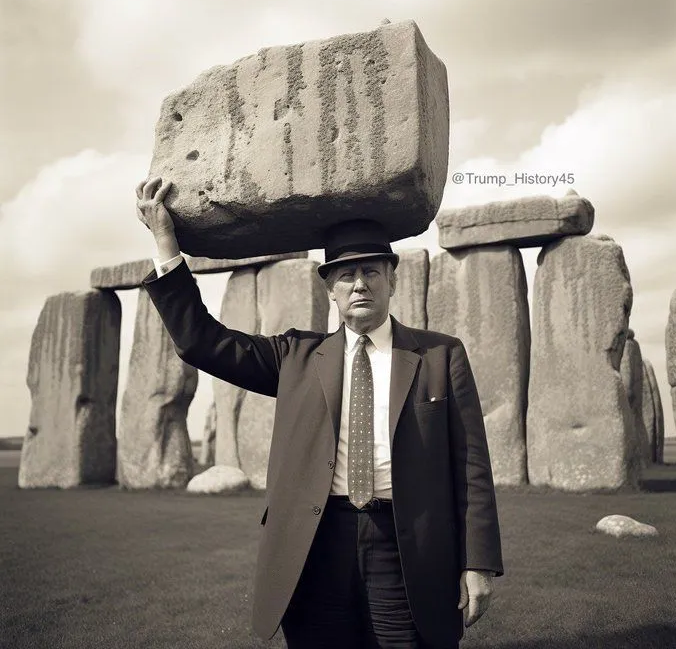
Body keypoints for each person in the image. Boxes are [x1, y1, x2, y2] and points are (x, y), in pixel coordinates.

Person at [136, 176, 503, 649]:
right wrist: (166, 243)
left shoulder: (440, 355)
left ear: (392, 279)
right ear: (330, 287)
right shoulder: (295, 357)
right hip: (315, 543)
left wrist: (478, 562)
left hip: (408, 543)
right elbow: (201, 342)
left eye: (371, 271)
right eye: (346, 274)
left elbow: (472, 466)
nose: (359, 284)